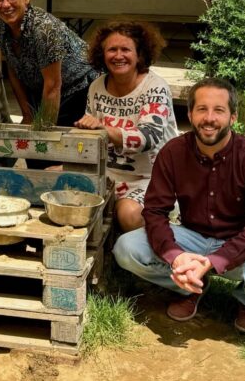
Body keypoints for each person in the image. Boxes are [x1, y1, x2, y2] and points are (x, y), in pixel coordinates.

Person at [112, 77, 245, 335]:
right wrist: (176, 255)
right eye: (202, 109)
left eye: (219, 110)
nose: (209, 118)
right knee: (126, 248)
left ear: (233, 117)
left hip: (242, 242)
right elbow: (155, 211)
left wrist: (217, 259)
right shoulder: (173, 152)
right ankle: (190, 285)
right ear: (190, 114)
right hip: (192, 238)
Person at [74, 19, 179, 232]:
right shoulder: (96, 86)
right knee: (56, 183)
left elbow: (148, 137)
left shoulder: (155, 87)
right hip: (107, 174)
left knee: (128, 214)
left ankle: (162, 239)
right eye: (112, 49)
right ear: (102, 54)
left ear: (139, 54)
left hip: (152, 177)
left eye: (126, 49)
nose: (118, 55)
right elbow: (89, 138)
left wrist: (103, 129)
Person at [0, 0, 97, 127]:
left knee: (51, 141)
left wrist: (42, 131)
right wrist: (27, 115)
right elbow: (13, 69)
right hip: (43, 90)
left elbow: (53, 86)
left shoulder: (43, 29)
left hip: (78, 89)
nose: (6, 4)